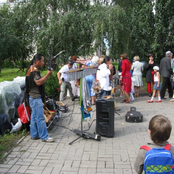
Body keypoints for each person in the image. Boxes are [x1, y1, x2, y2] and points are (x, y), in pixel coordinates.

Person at [25, 53, 54, 142]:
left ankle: (34, 135)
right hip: (35, 98)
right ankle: (44, 137)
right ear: (37, 61)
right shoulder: (33, 70)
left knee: (34, 117)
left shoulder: (31, 69)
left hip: (32, 97)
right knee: (40, 118)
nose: (43, 62)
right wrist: (48, 75)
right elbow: (38, 82)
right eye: (42, 60)